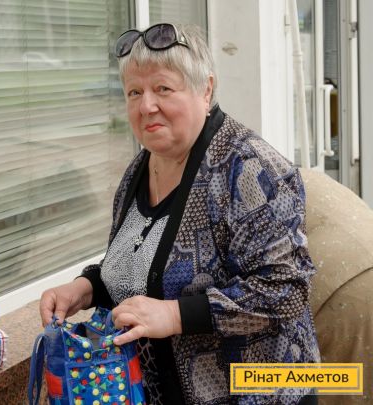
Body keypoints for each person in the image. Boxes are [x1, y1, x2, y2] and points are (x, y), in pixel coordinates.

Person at [39, 23, 320, 404]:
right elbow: (145, 264)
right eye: (134, 92)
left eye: (163, 89)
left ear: (206, 89)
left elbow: (286, 289)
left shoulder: (251, 168)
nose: (146, 105)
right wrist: (86, 288)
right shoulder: (140, 168)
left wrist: (175, 315)